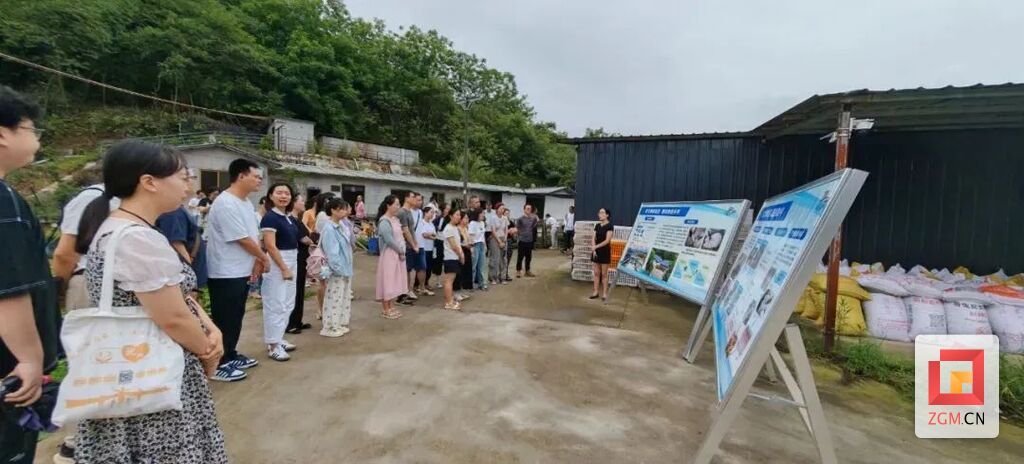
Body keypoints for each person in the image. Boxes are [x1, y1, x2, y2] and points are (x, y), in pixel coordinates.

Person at [71, 140, 227, 463]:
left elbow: (176, 297)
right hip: (153, 376)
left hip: (136, 368)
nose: (188, 186)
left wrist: (210, 327)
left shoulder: (122, 227)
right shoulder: (138, 239)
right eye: (182, 177)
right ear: (149, 182)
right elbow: (173, 318)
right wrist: (207, 349)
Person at [0, 86, 60, 464]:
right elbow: (8, 289)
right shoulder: (3, 201)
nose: (37, 137)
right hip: (8, 369)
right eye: (31, 128)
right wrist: (29, 358)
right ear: (2, 135)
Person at [205, 158, 266, 382]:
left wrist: (257, 259)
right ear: (241, 176)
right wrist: (263, 257)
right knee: (224, 318)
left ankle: (230, 354)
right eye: (256, 176)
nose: (260, 181)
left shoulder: (246, 203)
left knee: (236, 316)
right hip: (225, 271)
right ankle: (217, 364)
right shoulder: (225, 203)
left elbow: (252, 235)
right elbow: (241, 238)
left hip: (241, 269)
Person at [259, 183, 300, 361]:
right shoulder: (270, 217)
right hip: (278, 262)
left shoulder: (288, 217)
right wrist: (283, 267)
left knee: (288, 302)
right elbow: (270, 245)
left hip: (292, 258)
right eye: (279, 193)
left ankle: (279, 337)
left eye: (287, 193)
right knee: (275, 303)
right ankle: (273, 345)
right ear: (271, 195)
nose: (283, 196)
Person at [156, 197, 208, 296]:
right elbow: (177, 245)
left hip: (191, 273)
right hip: (187, 277)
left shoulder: (175, 209)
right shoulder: (172, 211)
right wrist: (190, 285)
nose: (186, 188)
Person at [318, 198, 354, 337]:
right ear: (333, 210)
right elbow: (332, 253)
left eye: (345, 208)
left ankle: (339, 323)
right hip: (337, 270)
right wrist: (339, 269)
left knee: (343, 297)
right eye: (341, 209)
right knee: (334, 297)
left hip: (345, 267)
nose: (345, 211)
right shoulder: (329, 228)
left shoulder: (341, 226)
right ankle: (330, 326)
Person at [286, 194, 314, 334]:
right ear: (294, 203)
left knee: (300, 290)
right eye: (301, 201)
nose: (304, 203)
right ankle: (291, 323)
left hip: (303, 258)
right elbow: (303, 238)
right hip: (296, 258)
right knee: (294, 290)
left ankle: (297, 321)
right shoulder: (290, 220)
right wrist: (311, 241)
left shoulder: (297, 219)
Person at [375, 195, 406, 319]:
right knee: (387, 281)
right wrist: (400, 251)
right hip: (389, 254)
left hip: (397, 254)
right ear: (388, 205)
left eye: (399, 204)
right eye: (396, 204)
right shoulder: (384, 221)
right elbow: (389, 240)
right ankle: (386, 309)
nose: (398, 207)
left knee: (395, 281)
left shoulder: (395, 219)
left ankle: (391, 306)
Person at [396, 191, 424, 305]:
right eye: (413, 197)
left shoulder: (409, 212)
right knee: (405, 270)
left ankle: (406, 291)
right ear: (407, 198)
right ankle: (402, 294)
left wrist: (415, 243)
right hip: (405, 246)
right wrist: (413, 245)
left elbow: (412, 230)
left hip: (410, 245)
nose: (415, 199)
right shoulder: (402, 212)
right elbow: (406, 231)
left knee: (408, 269)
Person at [441, 209, 465, 310]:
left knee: (451, 280)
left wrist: (461, 254)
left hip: (454, 257)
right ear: (451, 216)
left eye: (460, 215)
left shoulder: (454, 228)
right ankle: (448, 303)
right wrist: (461, 255)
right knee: (449, 281)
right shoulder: (448, 228)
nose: (459, 217)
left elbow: (458, 244)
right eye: (457, 215)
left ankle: (450, 300)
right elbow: (454, 246)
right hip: (450, 257)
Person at [591, 208, 615, 301]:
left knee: (604, 274)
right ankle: (595, 292)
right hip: (596, 252)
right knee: (596, 273)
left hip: (604, 251)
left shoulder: (609, 226)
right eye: (599, 213)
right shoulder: (597, 225)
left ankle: (605, 294)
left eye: (602, 212)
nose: (599, 214)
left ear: (607, 215)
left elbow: (607, 241)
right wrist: (594, 248)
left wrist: (596, 247)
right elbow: (593, 237)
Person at [415, 206, 438, 295]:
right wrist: (431, 235)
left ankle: (426, 283)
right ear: (425, 213)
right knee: (422, 267)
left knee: (429, 267)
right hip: (423, 247)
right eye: (431, 212)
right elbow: (424, 235)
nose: (432, 214)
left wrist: (431, 235)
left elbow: (434, 234)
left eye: (433, 213)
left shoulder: (431, 224)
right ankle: (417, 285)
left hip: (430, 248)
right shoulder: (422, 222)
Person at [515, 204, 540, 278]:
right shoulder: (520, 219)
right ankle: (518, 271)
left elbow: (534, 225)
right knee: (520, 257)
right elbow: (517, 228)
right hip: (522, 240)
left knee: (529, 257)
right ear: (524, 209)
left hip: (530, 240)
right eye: (527, 208)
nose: (529, 210)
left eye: (530, 208)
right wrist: (519, 235)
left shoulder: (533, 219)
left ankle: (527, 271)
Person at [488, 204, 509, 286]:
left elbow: (506, 229)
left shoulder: (505, 218)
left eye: (503, 209)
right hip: (495, 239)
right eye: (500, 208)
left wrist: (505, 239)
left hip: (503, 238)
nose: (502, 210)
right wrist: (499, 241)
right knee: (495, 258)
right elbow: (493, 231)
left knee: (503, 259)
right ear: (496, 209)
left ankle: (502, 277)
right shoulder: (493, 218)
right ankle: (493, 277)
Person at [456, 211, 474, 301]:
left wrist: (470, 243)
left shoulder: (466, 228)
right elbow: (457, 242)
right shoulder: (457, 229)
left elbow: (469, 239)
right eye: (465, 218)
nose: (467, 220)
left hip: (467, 251)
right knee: (460, 272)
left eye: (467, 218)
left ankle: (463, 290)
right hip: (461, 250)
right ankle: (457, 292)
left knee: (466, 271)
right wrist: (465, 245)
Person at [468, 209, 488, 290]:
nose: (483, 215)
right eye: (482, 213)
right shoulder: (472, 223)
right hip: (475, 245)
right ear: (477, 214)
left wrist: (485, 245)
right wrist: (472, 247)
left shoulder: (482, 223)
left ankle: (481, 284)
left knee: (481, 265)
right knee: (473, 266)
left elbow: (483, 236)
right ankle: (471, 284)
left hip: (481, 245)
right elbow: (471, 236)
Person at [503, 208, 517, 282]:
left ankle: (506, 273)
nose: (507, 215)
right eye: (506, 213)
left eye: (508, 213)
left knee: (508, 257)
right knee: (503, 258)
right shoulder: (502, 221)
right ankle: (502, 274)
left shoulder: (510, 222)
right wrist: (508, 231)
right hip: (503, 240)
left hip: (510, 240)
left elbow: (515, 229)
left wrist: (513, 230)